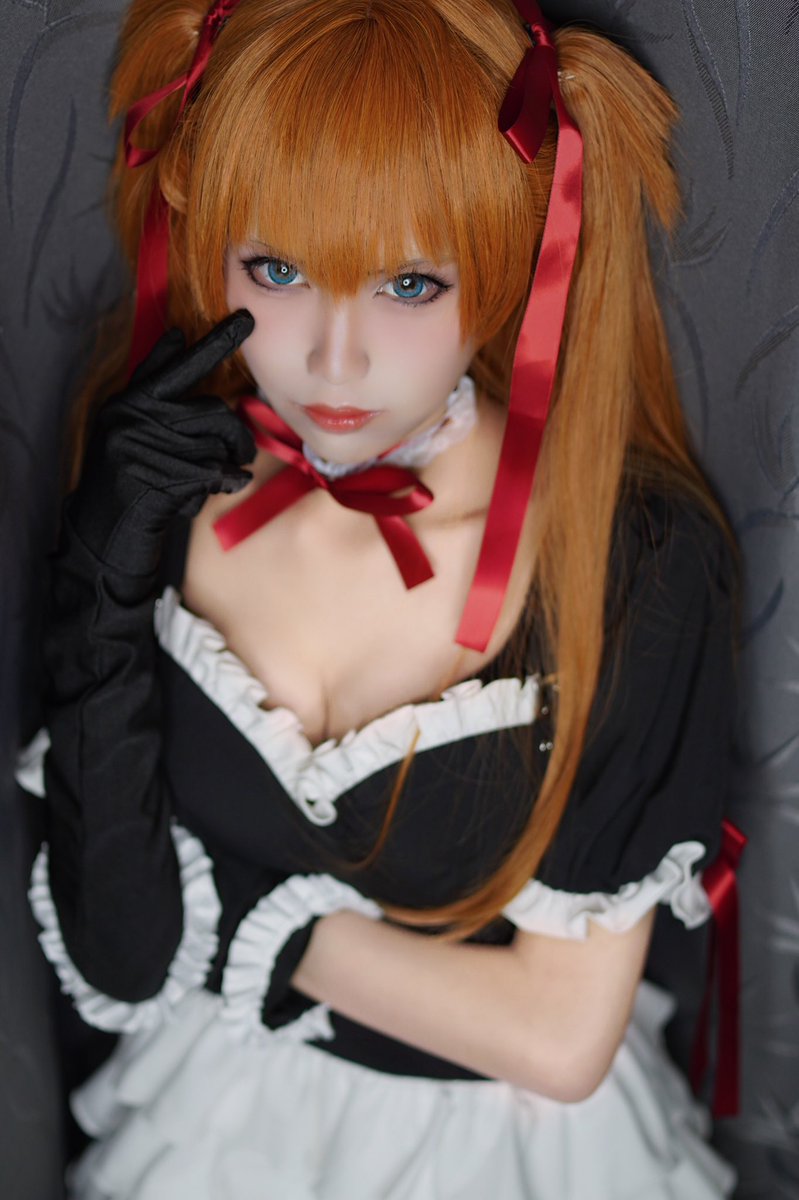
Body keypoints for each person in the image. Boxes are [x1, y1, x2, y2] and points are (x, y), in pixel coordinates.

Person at [16, 0, 741, 1195]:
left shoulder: (632, 556)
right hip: (222, 1129)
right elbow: (126, 958)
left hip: (509, 1157)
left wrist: (252, 921)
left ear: (507, 263)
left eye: (408, 282)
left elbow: (559, 1042)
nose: (334, 360)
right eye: (279, 269)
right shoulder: (164, 491)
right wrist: (99, 586)